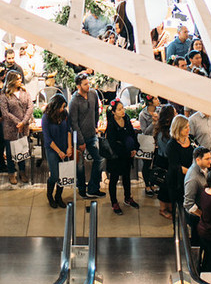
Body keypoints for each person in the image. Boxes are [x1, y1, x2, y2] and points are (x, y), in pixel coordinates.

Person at [69, 72, 104, 200]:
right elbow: (73, 123)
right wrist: (81, 141)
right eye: (85, 84)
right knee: (80, 165)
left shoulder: (93, 94)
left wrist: (95, 125)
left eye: (88, 83)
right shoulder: (74, 101)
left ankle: (93, 188)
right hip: (79, 138)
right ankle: (82, 189)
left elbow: (96, 110)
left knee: (100, 159)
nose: (88, 86)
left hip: (92, 134)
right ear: (78, 86)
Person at [105, 99, 139, 215]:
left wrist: (134, 148)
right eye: (119, 109)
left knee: (126, 177)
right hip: (116, 156)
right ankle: (114, 202)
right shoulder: (111, 125)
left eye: (123, 108)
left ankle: (127, 197)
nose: (122, 111)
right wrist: (126, 152)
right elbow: (113, 144)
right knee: (114, 179)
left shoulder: (126, 119)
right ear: (113, 112)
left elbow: (132, 134)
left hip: (127, 155)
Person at [0, 70, 33, 186]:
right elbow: (5, 113)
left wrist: (23, 122)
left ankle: (22, 171)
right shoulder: (4, 95)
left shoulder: (24, 91)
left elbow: (30, 107)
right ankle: (11, 172)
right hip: (10, 128)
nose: (20, 80)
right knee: (10, 152)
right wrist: (18, 123)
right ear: (11, 81)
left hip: (23, 127)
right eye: (18, 79)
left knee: (22, 149)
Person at [41, 94, 73, 209]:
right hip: (52, 149)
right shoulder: (46, 117)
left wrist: (69, 147)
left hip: (64, 147)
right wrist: (59, 151)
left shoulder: (65, 114)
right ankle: (50, 196)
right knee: (55, 175)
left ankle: (58, 196)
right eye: (61, 106)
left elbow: (68, 130)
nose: (63, 109)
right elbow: (47, 138)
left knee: (63, 174)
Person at [184, 146, 211, 244]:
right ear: (198, 160)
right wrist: (202, 215)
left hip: (202, 210)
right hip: (196, 217)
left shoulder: (203, 168)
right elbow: (188, 204)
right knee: (198, 241)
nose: (210, 161)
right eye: (207, 159)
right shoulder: (193, 178)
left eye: (210, 158)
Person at [153, 103, 176, 219]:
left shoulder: (168, 130)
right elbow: (166, 151)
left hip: (167, 160)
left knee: (170, 186)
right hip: (164, 161)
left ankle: (170, 206)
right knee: (164, 185)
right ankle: (163, 209)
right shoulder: (163, 133)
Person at [167, 115, 194, 211]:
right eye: (185, 127)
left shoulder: (191, 139)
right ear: (178, 128)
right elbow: (175, 166)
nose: (188, 129)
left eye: (188, 126)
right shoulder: (172, 145)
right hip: (177, 180)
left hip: (190, 177)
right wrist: (192, 173)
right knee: (179, 207)